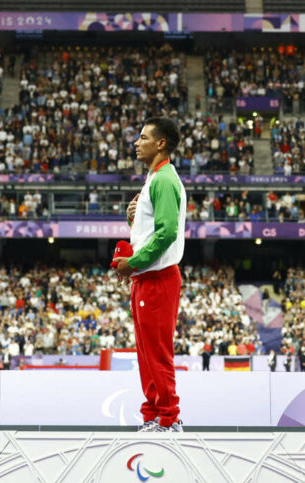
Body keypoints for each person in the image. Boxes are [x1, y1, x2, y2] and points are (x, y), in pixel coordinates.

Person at [112, 116, 186, 433]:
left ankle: (168, 419)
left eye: (143, 137)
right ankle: (154, 414)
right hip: (147, 278)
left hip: (157, 278)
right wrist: (134, 221)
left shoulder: (164, 180)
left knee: (157, 353)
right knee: (145, 354)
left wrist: (134, 262)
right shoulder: (153, 179)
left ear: (160, 144)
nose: (136, 142)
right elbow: (152, 231)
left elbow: (168, 232)